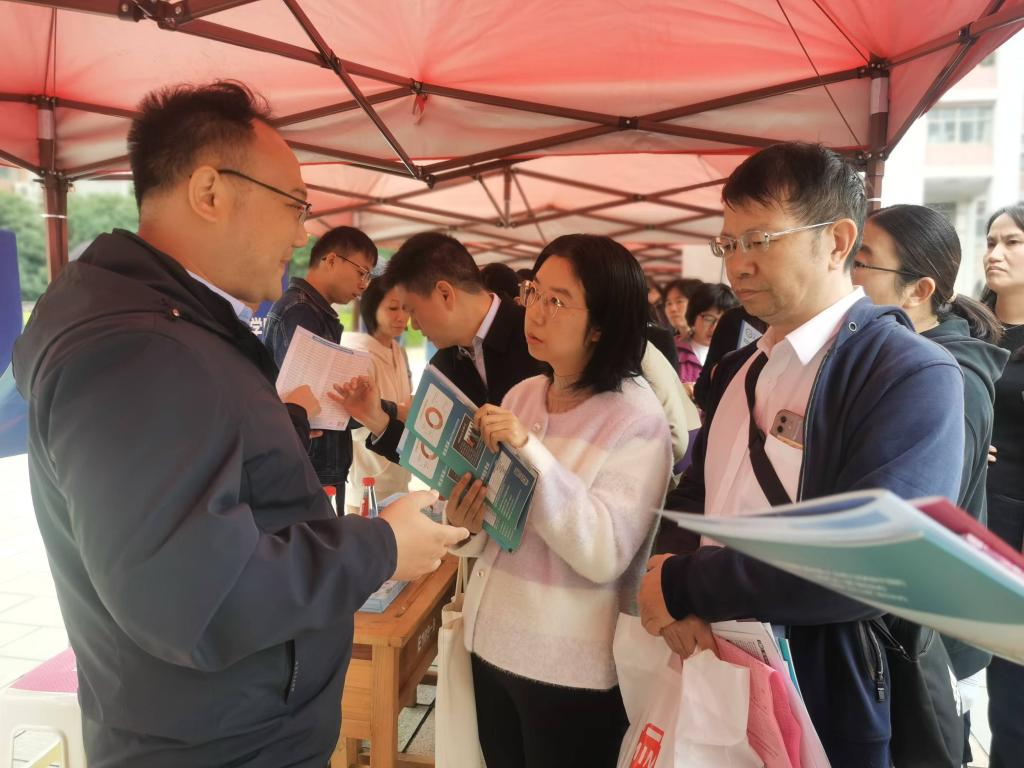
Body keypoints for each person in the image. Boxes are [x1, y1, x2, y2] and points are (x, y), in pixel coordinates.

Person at [11, 81, 467, 768]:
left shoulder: (177, 327)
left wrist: (285, 421)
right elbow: (193, 597)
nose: (302, 233)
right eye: (294, 205)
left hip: (234, 726)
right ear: (210, 192)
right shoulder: (140, 350)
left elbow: (203, 466)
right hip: (218, 744)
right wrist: (379, 546)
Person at [638, 142, 965, 768]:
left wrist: (683, 584)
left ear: (837, 241)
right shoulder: (739, 368)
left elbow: (876, 555)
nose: (737, 265)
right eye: (728, 244)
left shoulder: (909, 371)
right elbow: (698, 489)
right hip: (714, 674)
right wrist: (670, 570)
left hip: (824, 696)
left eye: (759, 240)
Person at [444, 234, 673, 768]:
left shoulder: (636, 419)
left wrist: (530, 451)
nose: (536, 312)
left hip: (569, 675)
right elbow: (502, 523)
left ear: (601, 325)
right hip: (490, 649)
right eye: (534, 292)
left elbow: (604, 552)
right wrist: (466, 522)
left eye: (558, 301)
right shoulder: (523, 394)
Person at [853, 203, 1008, 765]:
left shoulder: (948, 377)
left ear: (919, 290)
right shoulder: (902, 360)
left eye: (862, 262)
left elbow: (918, 522)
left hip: (926, 640)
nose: (847, 275)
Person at [334, 232, 546, 456]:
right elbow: (430, 451)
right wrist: (374, 417)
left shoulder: (534, 337)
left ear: (445, 294)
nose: (413, 325)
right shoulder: (442, 366)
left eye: (412, 311)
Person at [263, 225, 377, 498]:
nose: (363, 284)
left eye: (368, 276)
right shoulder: (301, 312)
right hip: (307, 469)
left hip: (313, 466)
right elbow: (319, 402)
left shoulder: (311, 311)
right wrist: (383, 411)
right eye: (361, 272)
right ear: (331, 260)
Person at [979, 201, 1024, 768]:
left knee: (1013, 696)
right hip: (962, 517)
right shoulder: (968, 326)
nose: (996, 252)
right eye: (992, 241)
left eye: (1012, 242)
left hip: (1015, 531)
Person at [343, 276, 414, 515]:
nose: (402, 316)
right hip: (368, 484)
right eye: (393, 308)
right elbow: (355, 422)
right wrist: (398, 412)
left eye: (406, 308)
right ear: (372, 308)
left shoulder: (398, 351)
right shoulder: (360, 355)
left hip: (399, 475)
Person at [677, 282, 739, 395]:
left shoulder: (734, 356)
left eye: (722, 321)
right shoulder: (673, 350)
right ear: (694, 315)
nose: (715, 327)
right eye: (708, 318)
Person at [660, 277, 703, 376]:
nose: (672, 309)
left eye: (679, 301)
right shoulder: (668, 346)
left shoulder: (714, 344)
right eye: (668, 303)